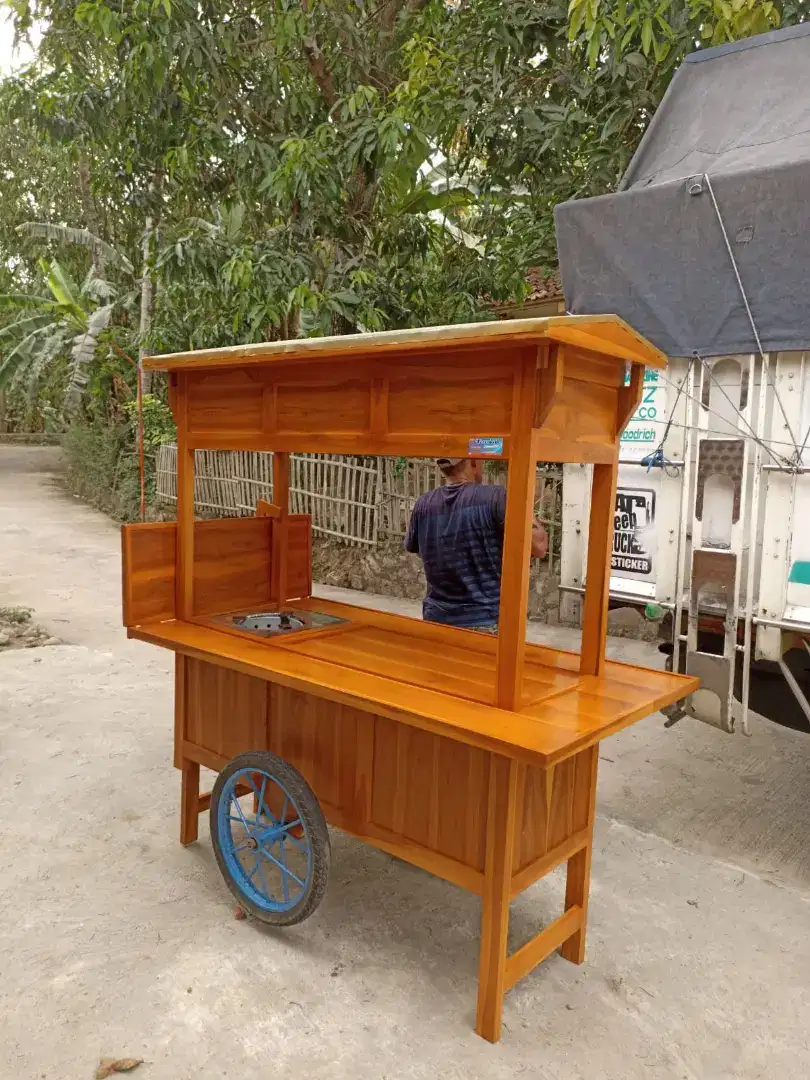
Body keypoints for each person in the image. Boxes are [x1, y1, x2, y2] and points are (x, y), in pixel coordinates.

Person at [404, 457, 548, 632]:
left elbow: (418, 550)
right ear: (473, 462)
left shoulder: (423, 504)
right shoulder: (495, 497)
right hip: (484, 623)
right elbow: (539, 547)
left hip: (436, 621)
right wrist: (521, 504)